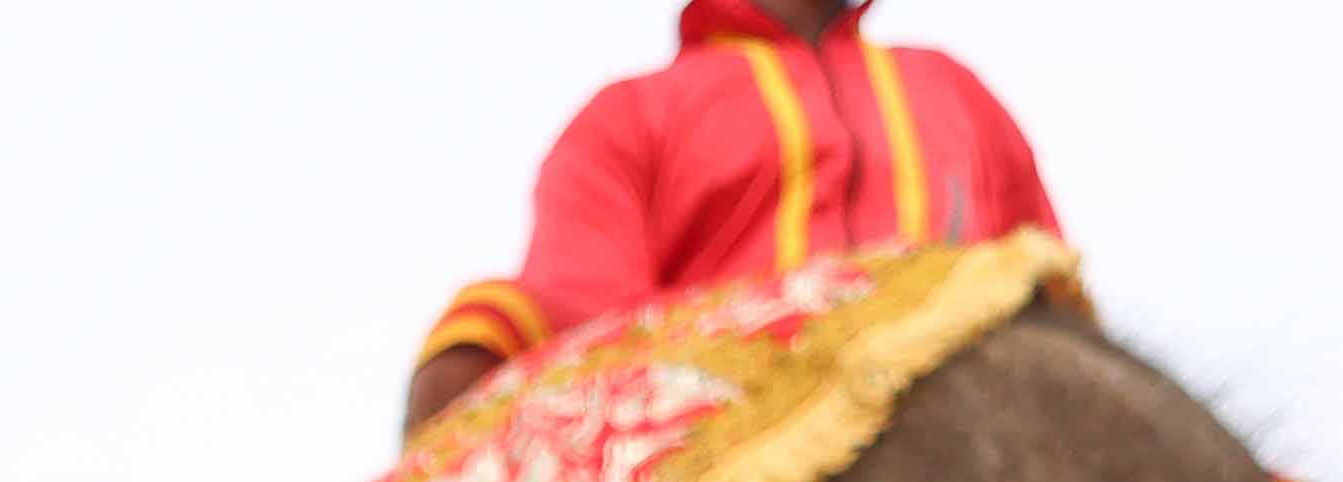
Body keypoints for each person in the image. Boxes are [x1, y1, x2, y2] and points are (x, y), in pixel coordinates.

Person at [406, 4, 1060, 428]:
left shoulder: (954, 91)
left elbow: (1049, 282)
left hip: (962, 385)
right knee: (476, 334)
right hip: (730, 400)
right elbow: (586, 306)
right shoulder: (632, 114)